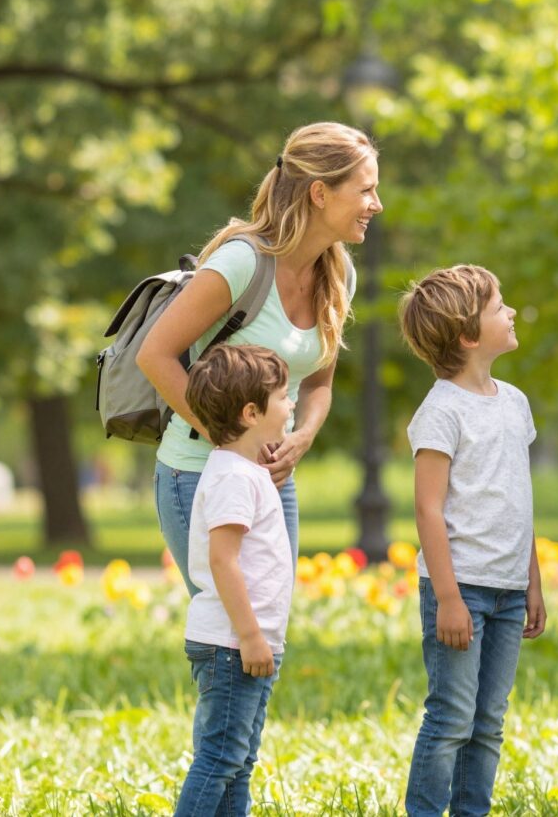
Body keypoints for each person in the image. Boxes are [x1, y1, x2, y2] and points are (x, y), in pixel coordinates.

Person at [138, 121, 380, 595]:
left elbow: (318, 382)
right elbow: (156, 355)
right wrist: (231, 439)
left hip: (271, 482)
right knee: (230, 640)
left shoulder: (338, 273)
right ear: (320, 193)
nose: (377, 204)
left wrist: (304, 436)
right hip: (197, 473)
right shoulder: (242, 262)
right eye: (366, 190)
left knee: (265, 631)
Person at [398, 264, 547, 816]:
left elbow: (519, 499)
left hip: (508, 592)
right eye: (498, 307)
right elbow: (428, 510)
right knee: (452, 718)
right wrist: (451, 598)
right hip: (459, 591)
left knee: (487, 723)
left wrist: (532, 582)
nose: (510, 313)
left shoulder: (514, 401)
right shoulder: (441, 410)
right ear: (466, 336)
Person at [173, 344, 296, 816]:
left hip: (246, 645)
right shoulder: (233, 478)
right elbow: (223, 562)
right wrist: (250, 637)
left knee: (239, 760)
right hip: (233, 646)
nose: (291, 406)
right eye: (284, 398)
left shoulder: (246, 470)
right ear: (251, 412)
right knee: (221, 757)